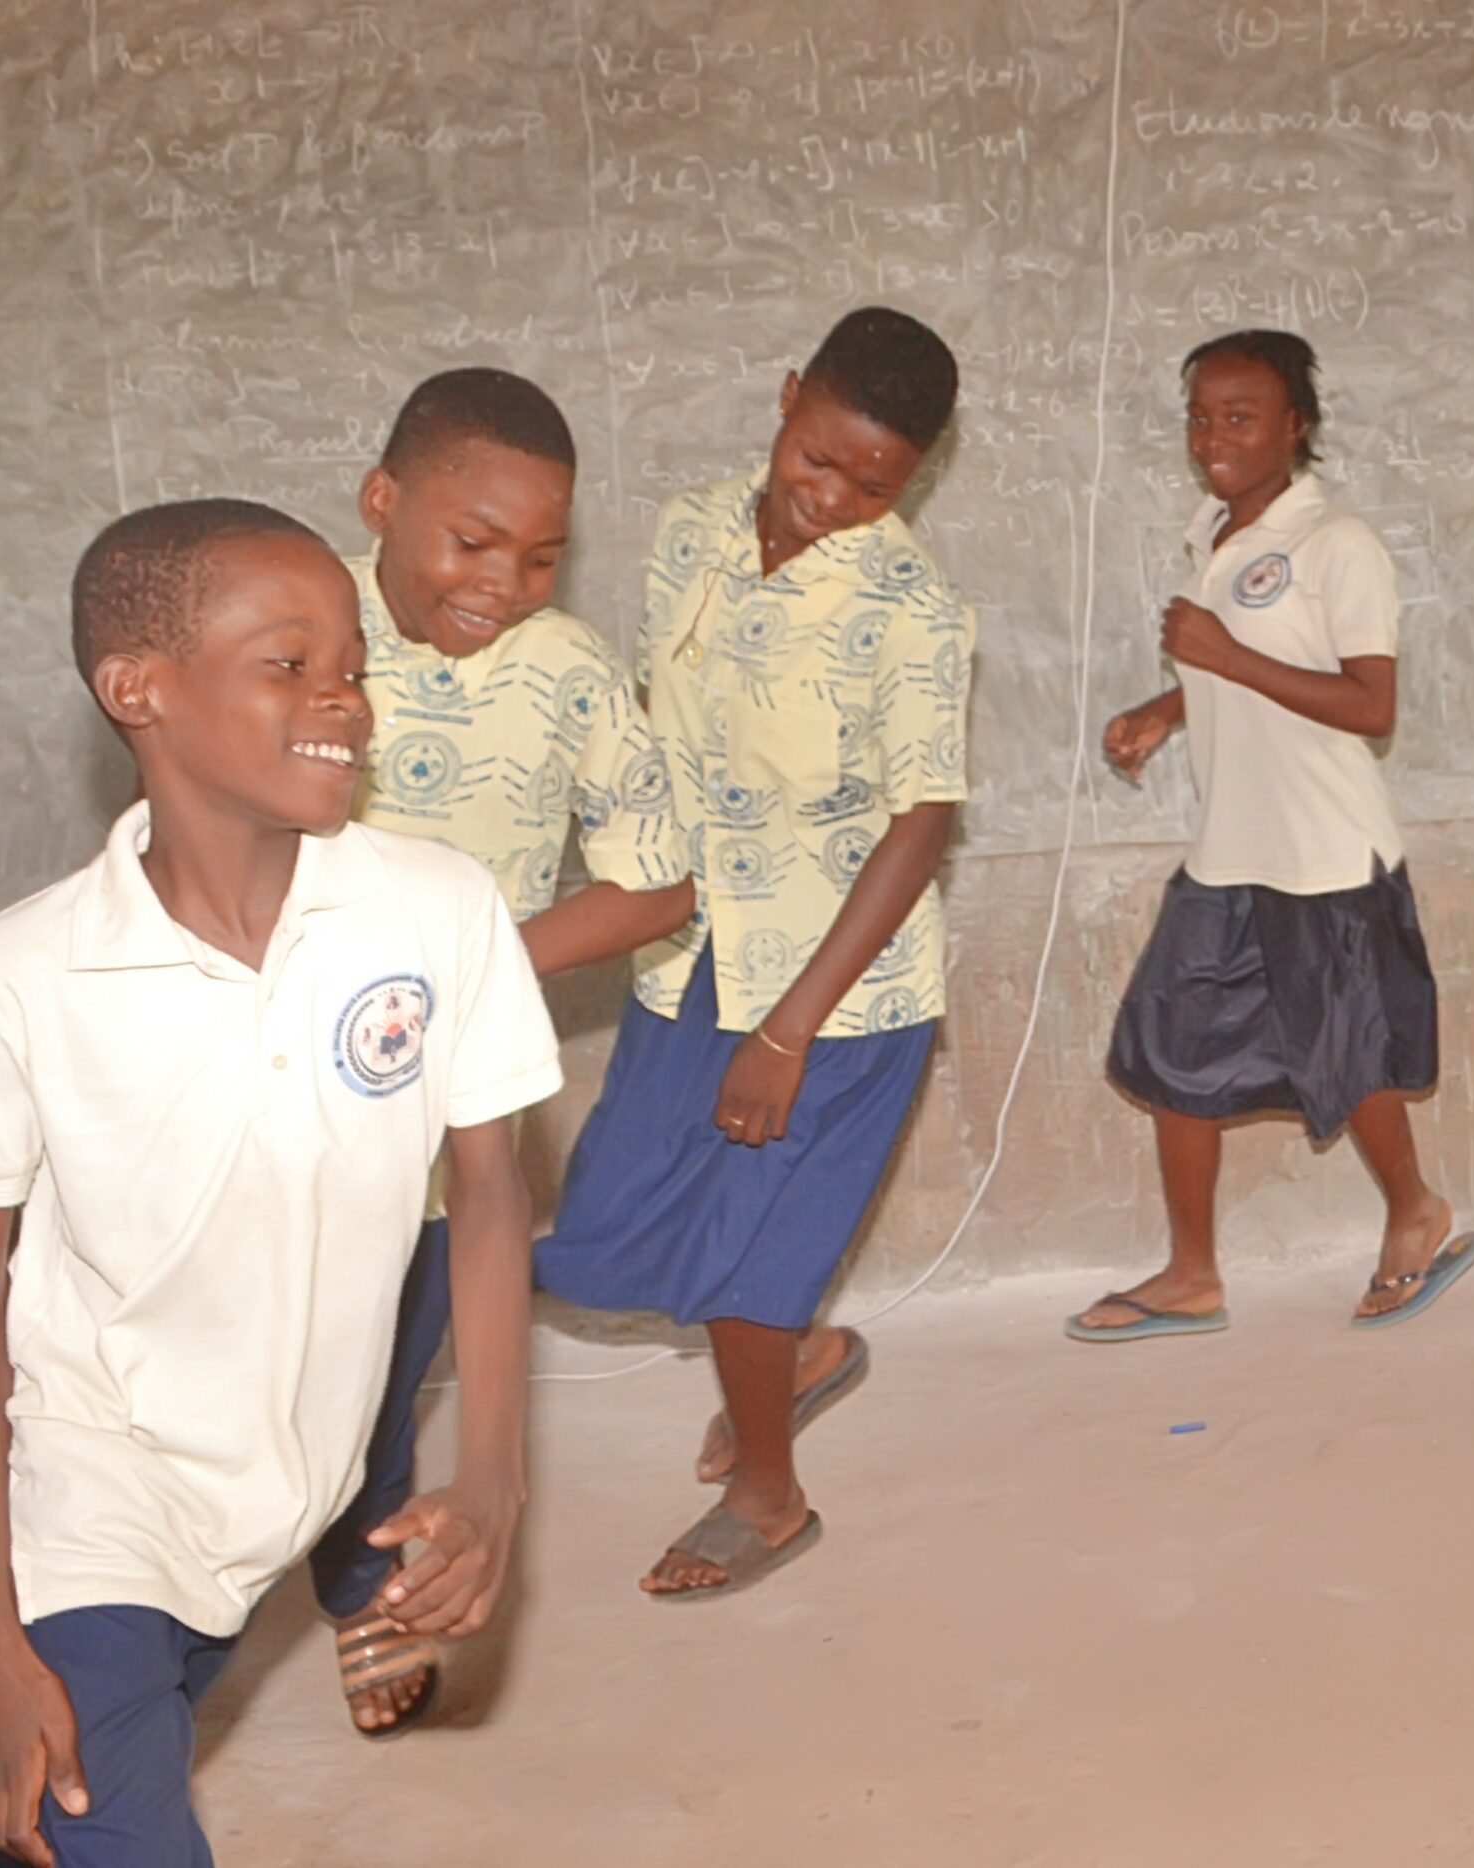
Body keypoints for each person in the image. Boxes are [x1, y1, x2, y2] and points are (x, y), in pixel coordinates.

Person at [0, 500, 560, 1865]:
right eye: (287, 665)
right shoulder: (23, 977)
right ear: (140, 689)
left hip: (283, 1489)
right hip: (95, 1498)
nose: (342, 699)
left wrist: (494, 1473)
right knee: (109, 1820)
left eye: (351, 664)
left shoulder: (436, 909)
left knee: (23, 1814)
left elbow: (488, 1193)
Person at [533, 307, 971, 1599]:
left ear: (914, 479)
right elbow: (654, 725)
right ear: (787, 400)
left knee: (747, 1246)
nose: (830, 497)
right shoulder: (693, 532)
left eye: (873, 485)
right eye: (817, 458)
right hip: (693, 953)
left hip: (840, 986)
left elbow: (921, 824)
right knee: (610, 1225)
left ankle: (769, 1494)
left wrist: (787, 1031)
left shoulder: (912, 610)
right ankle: (799, 1353)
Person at [307, 367, 691, 1736]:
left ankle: (364, 1580)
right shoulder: (293, 629)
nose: (503, 584)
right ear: (382, 501)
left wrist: (475, 963)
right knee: (271, 1376)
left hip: (443, 1114)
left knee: (385, 1373)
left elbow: (658, 883)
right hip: (273, 1087)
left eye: (540, 556)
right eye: (472, 542)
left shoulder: (569, 673)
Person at [1066, 329, 1474, 1343]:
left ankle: (1415, 1211)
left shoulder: (1336, 543)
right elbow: (1250, 664)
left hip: (1323, 850)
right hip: (1230, 847)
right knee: (1172, 1047)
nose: (1214, 436)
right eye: (1201, 418)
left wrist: (1220, 657)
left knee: (1347, 1054)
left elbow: (1369, 703)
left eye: (1241, 416)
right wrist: (1169, 706)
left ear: (1295, 426)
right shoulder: (1214, 533)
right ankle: (1191, 1273)